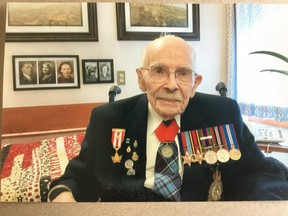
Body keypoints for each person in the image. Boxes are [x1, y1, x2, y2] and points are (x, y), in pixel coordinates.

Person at [49, 35, 288, 202]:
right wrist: (63, 196)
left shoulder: (222, 113)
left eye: (183, 73)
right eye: (159, 71)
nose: (172, 85)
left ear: (195, 84)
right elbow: (75, 179)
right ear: (142, 79)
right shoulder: (108, 119)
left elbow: (259, 173)